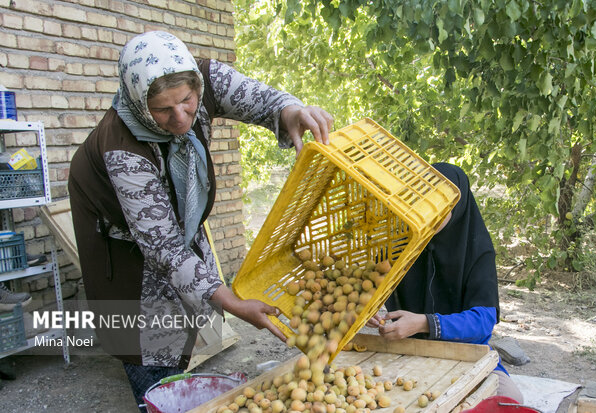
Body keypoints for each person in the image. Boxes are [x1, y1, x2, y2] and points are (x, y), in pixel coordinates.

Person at [68, 30, 333, 410]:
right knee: (148, 344)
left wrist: (290, 110)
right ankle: (158, 397)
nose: (180, 118)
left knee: (186, 316)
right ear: (140, 103)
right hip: (123, 242)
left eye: (187, 102)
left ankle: (178, 381)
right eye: (162, 110)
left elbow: (262, 100)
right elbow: (166, 249)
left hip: (172, 228)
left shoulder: (205, 77)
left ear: (196, 85)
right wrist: (234, 304)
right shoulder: (121, 148)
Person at [367, 162, 524, 403]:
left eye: (443, 203)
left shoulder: (478, 250)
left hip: (465, 354)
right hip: (406, 350)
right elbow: (367, 284)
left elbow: (483, 322)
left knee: (510, 401)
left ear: (458, 204)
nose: (432, 210)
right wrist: (366, 309)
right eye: (424, 199)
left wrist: (424, 323)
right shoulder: (400, 242)